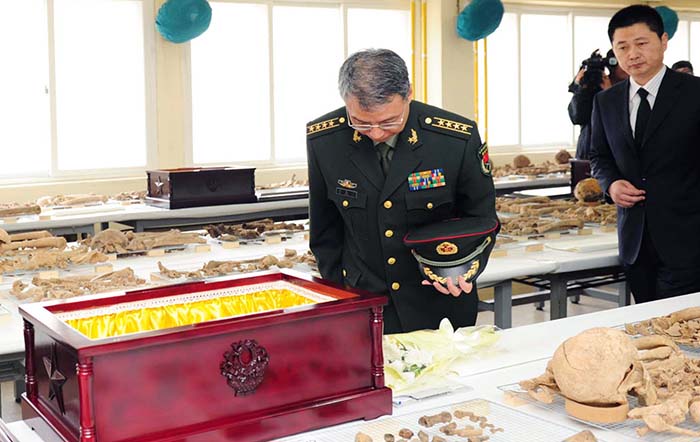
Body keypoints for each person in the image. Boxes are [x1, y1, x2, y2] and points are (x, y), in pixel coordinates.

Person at [306, 49, 497, 333]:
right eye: (361, 122)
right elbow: (325, 231)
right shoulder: (325, 139)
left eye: (388, 121)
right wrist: (342, 295)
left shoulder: (455, 138)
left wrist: (461, 268)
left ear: (408, 93)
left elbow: (482, 217)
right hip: (364, 303)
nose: (377, 132)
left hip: (438, 301)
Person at [589, 5, 700, 304]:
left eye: (641, 43)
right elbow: (598, 156)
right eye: (622, 47)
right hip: (635, 240)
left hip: (689, 237)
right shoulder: (606, 101)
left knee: (683, 331)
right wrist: (611, 184)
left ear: (663, 41)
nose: (632, 54)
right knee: (645, 326)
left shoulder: (694, 93)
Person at [568, 49, 629, 160]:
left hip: (618, 156)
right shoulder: (595, 86)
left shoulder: (634, 88)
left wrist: (609, 94)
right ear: (612, 64)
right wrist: (580, 87)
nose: (626, 65)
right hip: (589, 153)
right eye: (621, 61)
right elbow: (577, 117)